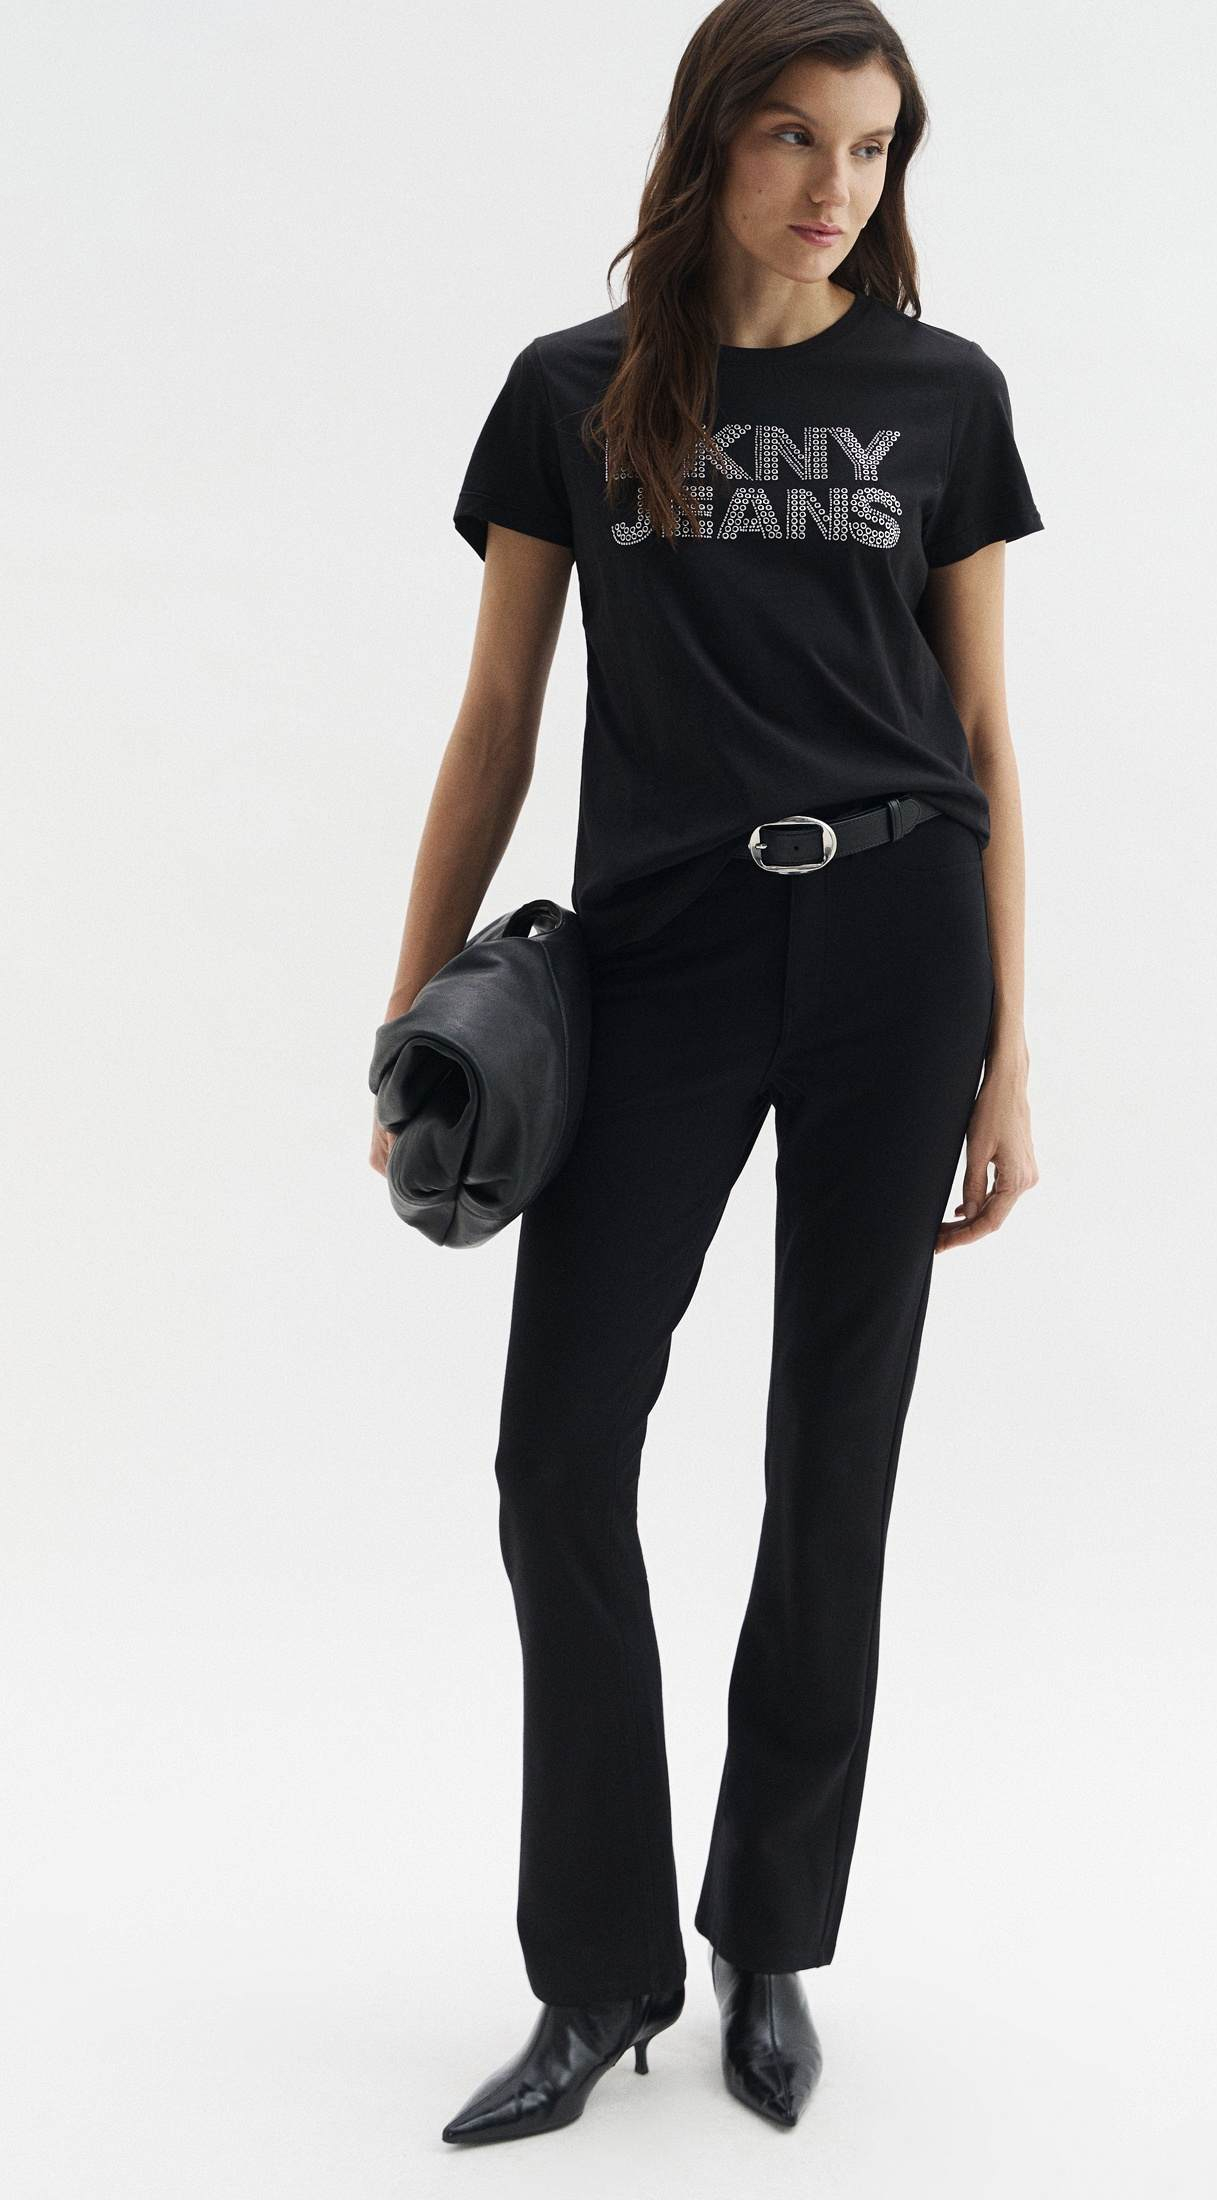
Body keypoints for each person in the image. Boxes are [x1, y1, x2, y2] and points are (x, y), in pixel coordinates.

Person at [372, 0, 1042, 2143]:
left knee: (833, 1455)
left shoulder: (945, 394)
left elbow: (984, 730)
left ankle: (771, 1937)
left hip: (899, 941)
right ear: (710, 141)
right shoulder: (571, 391)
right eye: (793, 136)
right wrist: (408, 1018)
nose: (837, 185)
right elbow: (497, 719)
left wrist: (1013, 1045)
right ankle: (596, 1973)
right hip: (659, 957)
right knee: (558, 1455)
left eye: (872, 146)